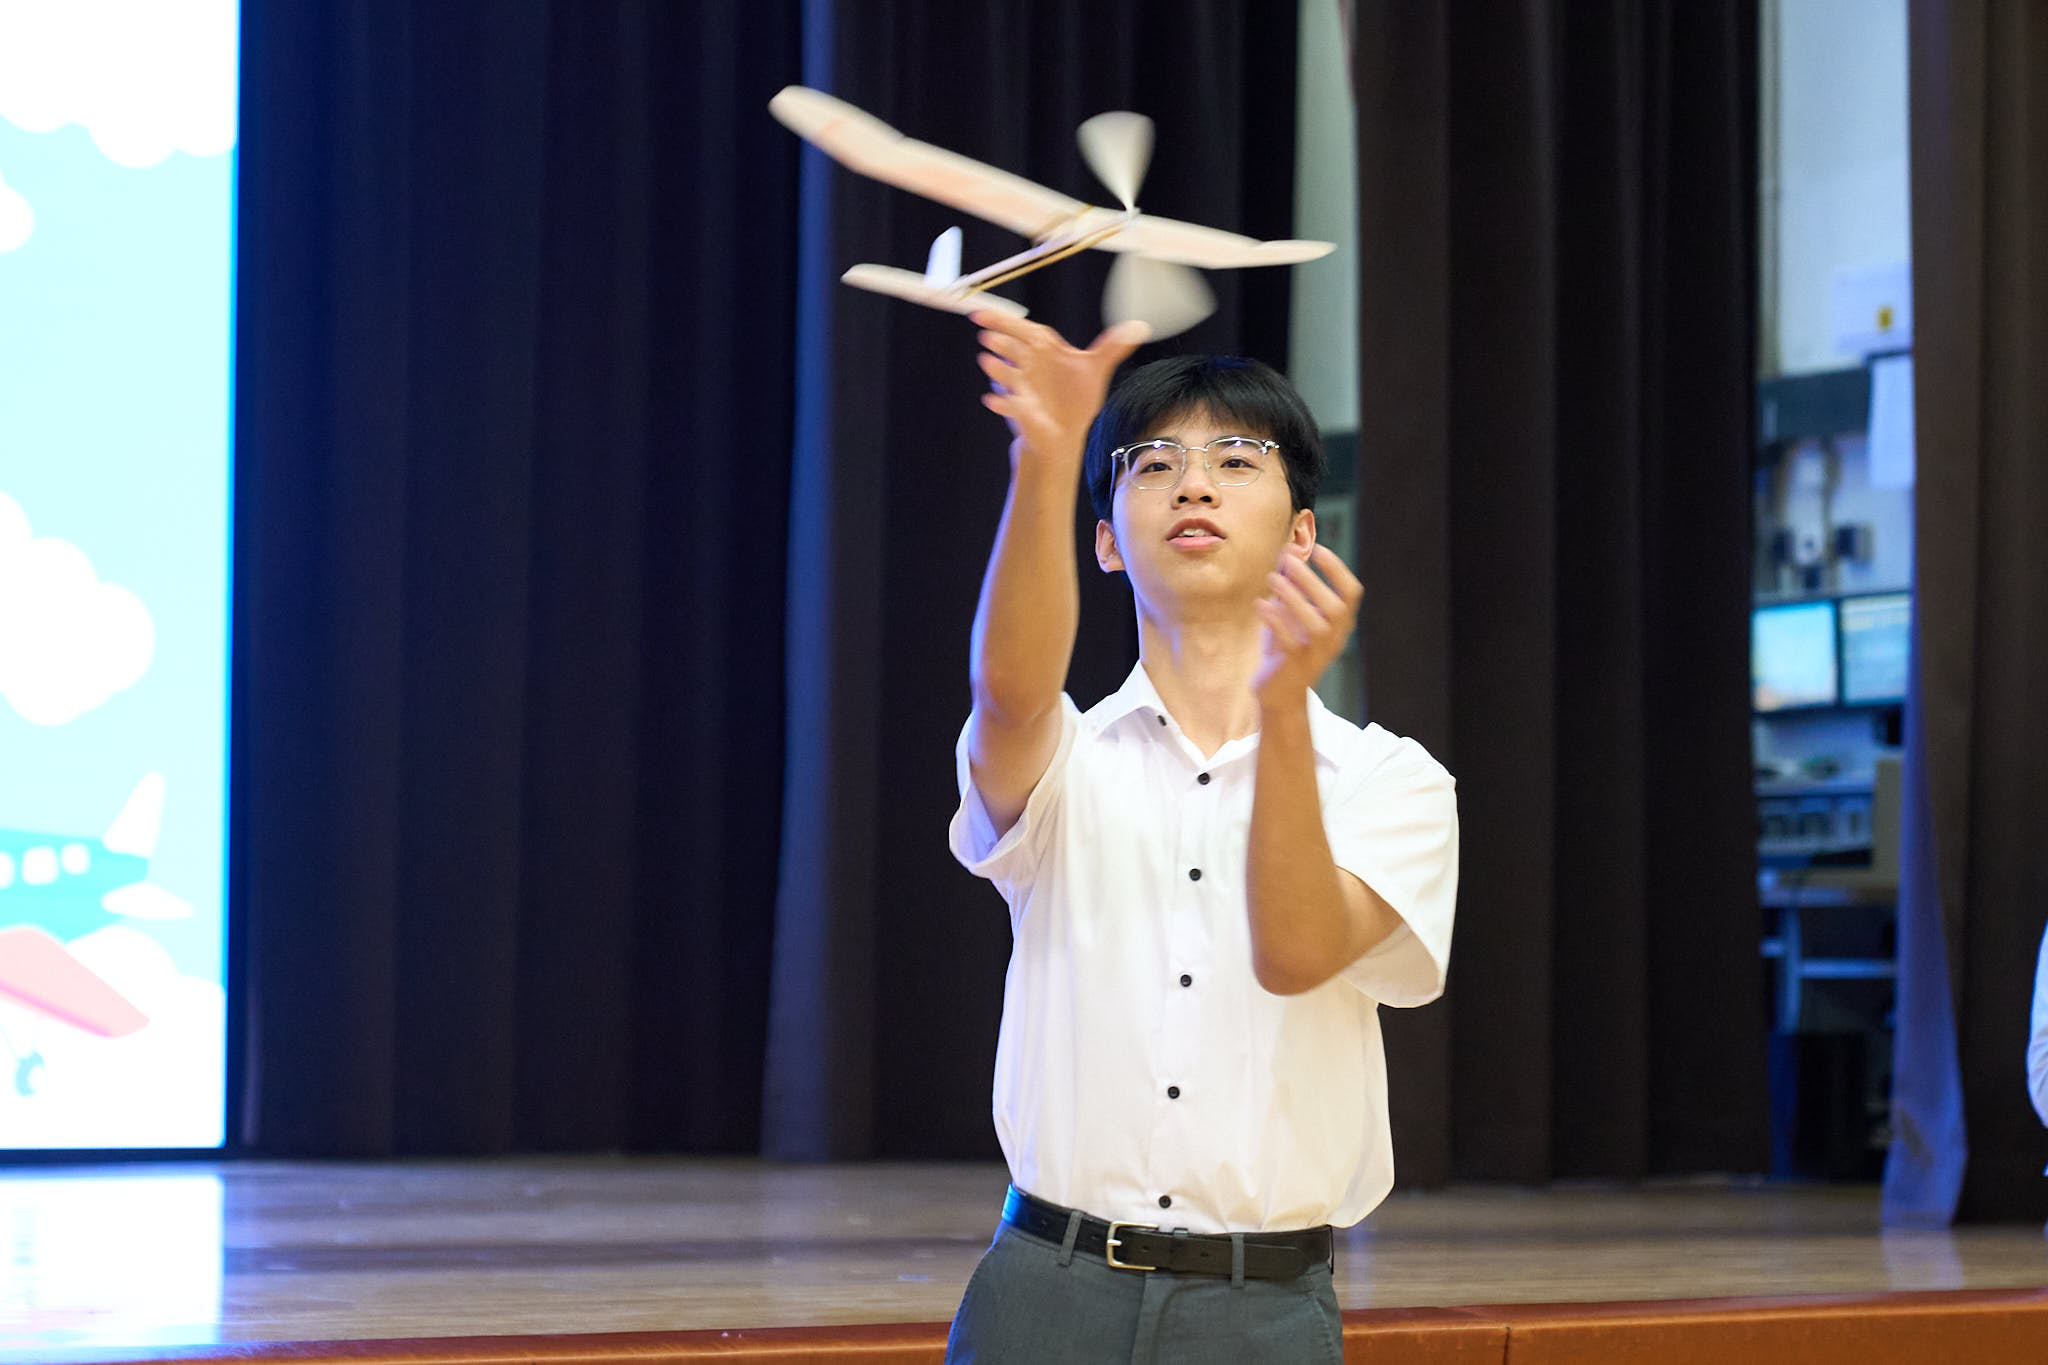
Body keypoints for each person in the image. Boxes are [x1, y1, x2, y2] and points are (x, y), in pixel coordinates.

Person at [943, 309, 1459, 1364]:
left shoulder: (1389, 780)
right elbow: (1007, 696)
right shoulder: (1068, 757)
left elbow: (1298, 952)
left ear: (1302, 532)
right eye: (1152, 464)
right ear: (1105, 540)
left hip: (1260, 1303)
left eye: (1235, 458)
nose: (1193, 485)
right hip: (1045, 1284)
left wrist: (1280, 708)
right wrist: (1047, 454)